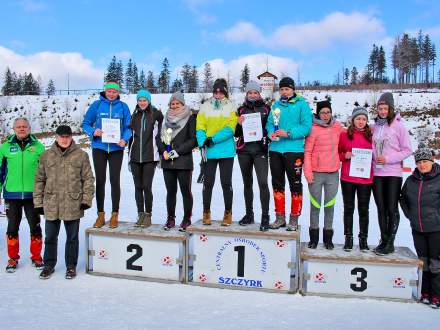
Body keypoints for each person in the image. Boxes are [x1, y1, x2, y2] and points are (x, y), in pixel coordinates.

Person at [34, 125, 94, 279]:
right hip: (51, 203)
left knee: (72, 238)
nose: (65, 139)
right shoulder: (46, 156)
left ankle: (71, 266)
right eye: (62, 136)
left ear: (71, 137)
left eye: (68, 136)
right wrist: (38, 203)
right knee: (50, 237)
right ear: (56, 137)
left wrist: (86, 199)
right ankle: (48, 265)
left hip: (73, 203)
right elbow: (39, 180)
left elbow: (88, 179)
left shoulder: (81, 155)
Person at [82, 81, 132, 229]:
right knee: (101, 180)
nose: (111, 94)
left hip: (116, 149)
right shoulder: (96, 105)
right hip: (99, 148)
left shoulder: (123, 107)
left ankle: (115, 214)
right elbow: (85, 123)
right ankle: (100, 214)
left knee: (115, 181)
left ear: (118, 93)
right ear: (105, 91)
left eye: (114, 91)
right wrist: (93, 132)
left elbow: (128, 127)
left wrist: (125, 139)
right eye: (109, 91)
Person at [266, 77, 312, 231]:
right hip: (275, 150)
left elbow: (307, 127)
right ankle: (280, 217)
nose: (284, 92)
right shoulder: (276, 105)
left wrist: (289, 133)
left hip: (294, 150)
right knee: (277, 183)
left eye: (287, 89)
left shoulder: (302, 105)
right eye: (282, 89)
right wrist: (271, 133)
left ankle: (294, 218)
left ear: (293, 90)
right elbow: (270, 123)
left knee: (295, 184)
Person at [0, 118, 45, 272]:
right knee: (12, 227)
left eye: (24, 126)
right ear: (14, 129)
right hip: (11, 195)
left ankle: (37, 257)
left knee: (35, 226)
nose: (21, 129)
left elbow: (44, 172)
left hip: (33, 195)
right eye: (18, 127)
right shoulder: (5, 148)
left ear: (29, 128)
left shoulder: (38, 147)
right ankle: (13, 258)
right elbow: (0, 172)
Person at [400, 144, 440, 309]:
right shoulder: (411, 180)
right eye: (419, 162)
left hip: (436, 229)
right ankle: (424, 292)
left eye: (425, 161)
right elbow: (402, 198)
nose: (422, 165)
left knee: (435, 263)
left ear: (431, 161)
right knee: (422, 261)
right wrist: (410, 215)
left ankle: (436, 295)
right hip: (418, 228)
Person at [371, 92, 412, 255]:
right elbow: (371, 147)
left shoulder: (399, 126)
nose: (382, 111)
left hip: (393, 173)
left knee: (391, 208)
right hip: (377, 174)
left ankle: (391, 242)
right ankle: (384, 239)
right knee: (380, 208)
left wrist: (387, 159)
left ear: (391, 108)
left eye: (385, 108)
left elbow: (408, 150)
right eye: (380, 108)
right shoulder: (375, 127)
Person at [196, 78, 237, 226]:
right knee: (208, 183)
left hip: (225, 150)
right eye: (216, 91)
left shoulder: (231, 106)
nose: (218, 94)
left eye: (221, 92)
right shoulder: (205, 106)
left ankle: (228, 212)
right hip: (209, 151)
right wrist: (202, 142)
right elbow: (200, 126)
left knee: (226, 183)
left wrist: (212, 139)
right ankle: (206, 212)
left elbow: (230, 128)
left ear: (225, 92)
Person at [304, 101, 343, 249]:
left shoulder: (337, 127)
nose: (326, 115)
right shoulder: (312, 129)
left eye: (328, 112)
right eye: (323, 113)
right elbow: (307, 152)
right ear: (318, 114)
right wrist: (308, 172)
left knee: (329, 206)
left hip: (332, 174)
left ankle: (328, 238)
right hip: (316, 173)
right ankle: (313, 238)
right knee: (315, 206)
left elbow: (350, 136)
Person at [235, 81, 270, 231]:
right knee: (247, 183)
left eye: (255, 92)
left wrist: (266, 135)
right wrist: (238, 123)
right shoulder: (241, 110)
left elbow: (270, 128)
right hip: (244, 151)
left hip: (260, 151)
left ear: (259, 93)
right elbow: (236, 133)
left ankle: (265, 216)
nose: (253, 95)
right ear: (246, 94)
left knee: (263, 183)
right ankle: (249, 214)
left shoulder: (267, 109)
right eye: (250, 93)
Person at [159, 92, 196, 231]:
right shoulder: (165, 118)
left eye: (177, 103)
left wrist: (177, 151)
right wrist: (163, 150)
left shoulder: (190, 118)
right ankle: (170, 218)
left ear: (182, 104)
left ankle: (187, 219)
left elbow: (193, 140)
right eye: (172, 103)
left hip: (183, 162)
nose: (174, 106)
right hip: (167, 162)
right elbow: (159, 137)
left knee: (185, 191)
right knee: (170, 192)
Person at [338, 107, 373, 251]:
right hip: (348, 178)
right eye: (358, 118)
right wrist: (343, 156)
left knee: (364, 209)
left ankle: (363, 238)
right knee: (349, 208)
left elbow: (377, 153)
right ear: (352, 120)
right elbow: (338, 152)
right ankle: (349, 238)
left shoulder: (372, 135)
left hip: (366, 179)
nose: (361, 121)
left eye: (364, 119)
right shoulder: (344, 135)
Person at [128, 89, 163, 227]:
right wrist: (129, 157)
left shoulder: (156, 114)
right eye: (140, 100)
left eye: (144, 100)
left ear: (149, 101)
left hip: (150, 156)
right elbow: (131, 137)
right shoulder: (134, 115)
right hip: (135, 156)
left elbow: (163, 133)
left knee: (146, 187)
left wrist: (161, 153)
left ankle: (148, 215)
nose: (142, 102)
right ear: (137, 101)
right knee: (138, 187)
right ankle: (140, 214)